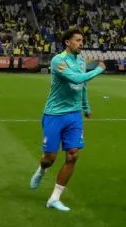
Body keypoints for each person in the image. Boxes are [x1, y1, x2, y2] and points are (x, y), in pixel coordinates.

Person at [28, 29, 106, 211]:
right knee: (50, 158)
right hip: (54, 114)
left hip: (74, 115)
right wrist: (99, 69)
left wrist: (86, 107)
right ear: (67, 42)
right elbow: (76, 78)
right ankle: (42, 169)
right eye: (77, 40)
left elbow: (82, 86)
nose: (81, 43)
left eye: (82, 40)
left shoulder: (80, 60)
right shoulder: (58, 61)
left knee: (73, 154)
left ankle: (54, 198)